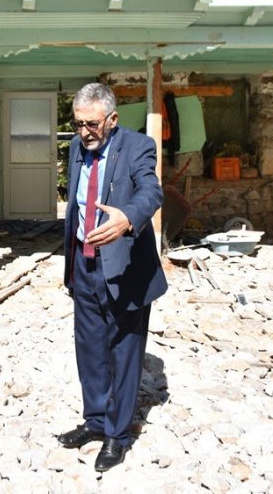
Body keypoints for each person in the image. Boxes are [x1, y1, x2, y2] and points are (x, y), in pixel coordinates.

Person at [57, 83, 167, 471]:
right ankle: (96, 421)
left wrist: (127, 219)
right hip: (84, 265)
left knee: (123, 351)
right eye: (78, 124)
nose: (84, 132)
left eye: (92, 124)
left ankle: (118, 435)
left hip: (124, 269)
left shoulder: (137, 147)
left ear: (113, 119)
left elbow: (152, 192)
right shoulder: (76, 148)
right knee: (89, 348)